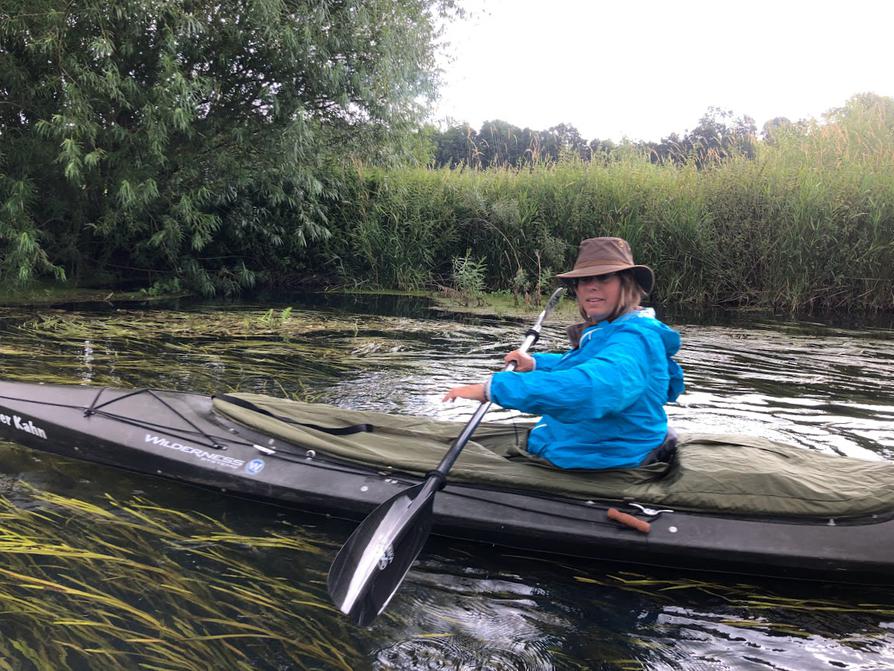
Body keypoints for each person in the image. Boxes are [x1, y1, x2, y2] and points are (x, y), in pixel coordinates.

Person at [443, 236, 684, 470]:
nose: (592, 286)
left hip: (601, 457)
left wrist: (492, 389)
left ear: (627, 283)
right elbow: (589, 365)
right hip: (594, 444)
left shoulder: (633, 340)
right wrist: (536, 364)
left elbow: (592, 388)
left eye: (604, 277)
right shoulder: (616, 328)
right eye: (584, 279)